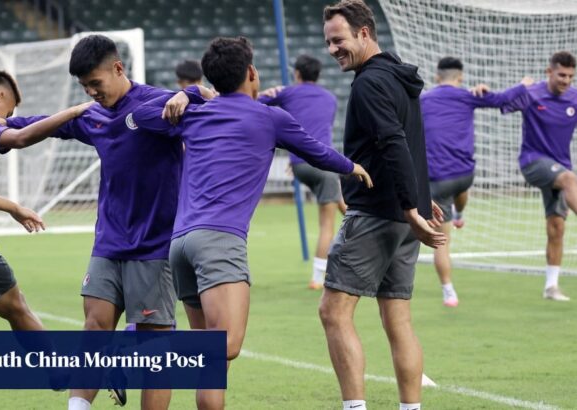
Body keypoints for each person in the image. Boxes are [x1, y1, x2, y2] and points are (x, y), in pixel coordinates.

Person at [133, 36, 372, 410]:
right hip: (219, 242)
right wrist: (352, 166)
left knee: (210, 361)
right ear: (251, 73)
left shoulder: (194, 114)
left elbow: (138, 117)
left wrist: (189, 94)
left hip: (180, 245)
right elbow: (318, 152)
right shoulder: (270, 117)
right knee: (226, 344)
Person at [4, 35, 209, 409]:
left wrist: (191, 92)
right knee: (94, 331)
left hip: (154, 246)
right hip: (108, 243)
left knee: (154, 349)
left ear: (118, 68)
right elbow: (37, 124)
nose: (91, 92)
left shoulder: (157, 105)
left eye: (95, 83)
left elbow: (214, 106)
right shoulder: (92, 115)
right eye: (84, 86)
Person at [320, 1, 446, 410]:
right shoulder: (397, 76)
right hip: (404, 218)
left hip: (378, 214)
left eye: (338, 40)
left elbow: (394, 141)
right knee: (398, 319)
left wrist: (413, 205)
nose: (333, 50)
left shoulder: (369, 83)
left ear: (364, 33)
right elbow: (411, 140)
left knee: (334, 312)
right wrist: (419, 200)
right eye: (328, 43)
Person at [0, 69, 88, 331]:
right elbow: (20, 138)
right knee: (18, 309)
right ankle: (51, 361)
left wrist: (14, 208)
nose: (4, 121)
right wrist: (74, 111)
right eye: (7, 114)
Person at [421, 56, 532, 307]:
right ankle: (460, 214)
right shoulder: (468, 95)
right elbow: (503, 99)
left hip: (437, 180)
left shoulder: (423, 100)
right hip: (465, 175)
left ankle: (448, 291)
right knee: (461, 187)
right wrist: (523, 84)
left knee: (442, 242)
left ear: (437, 77)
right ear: (460, 78)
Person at [258, 54, 347, 290]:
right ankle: (318, 278)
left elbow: (250, 102)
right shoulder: (330, 98)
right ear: (318, 75)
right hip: (324, 164)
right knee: (327, 224)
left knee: (341, 202)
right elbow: (320, 130)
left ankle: (363, 234)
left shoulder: (287, 93)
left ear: (297, 73)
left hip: (299, 165)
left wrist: (267, 92)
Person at [499, 51, 577, 302]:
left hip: (560, 166)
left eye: (570, 76)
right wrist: (516, 87)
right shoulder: (531, 94)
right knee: (570, 179)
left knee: (557, 226)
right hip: (533, 163)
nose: (566, 80)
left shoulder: (574, 98)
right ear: (549, 72)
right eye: (561, 75)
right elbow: (502, 104)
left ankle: (551, 287)